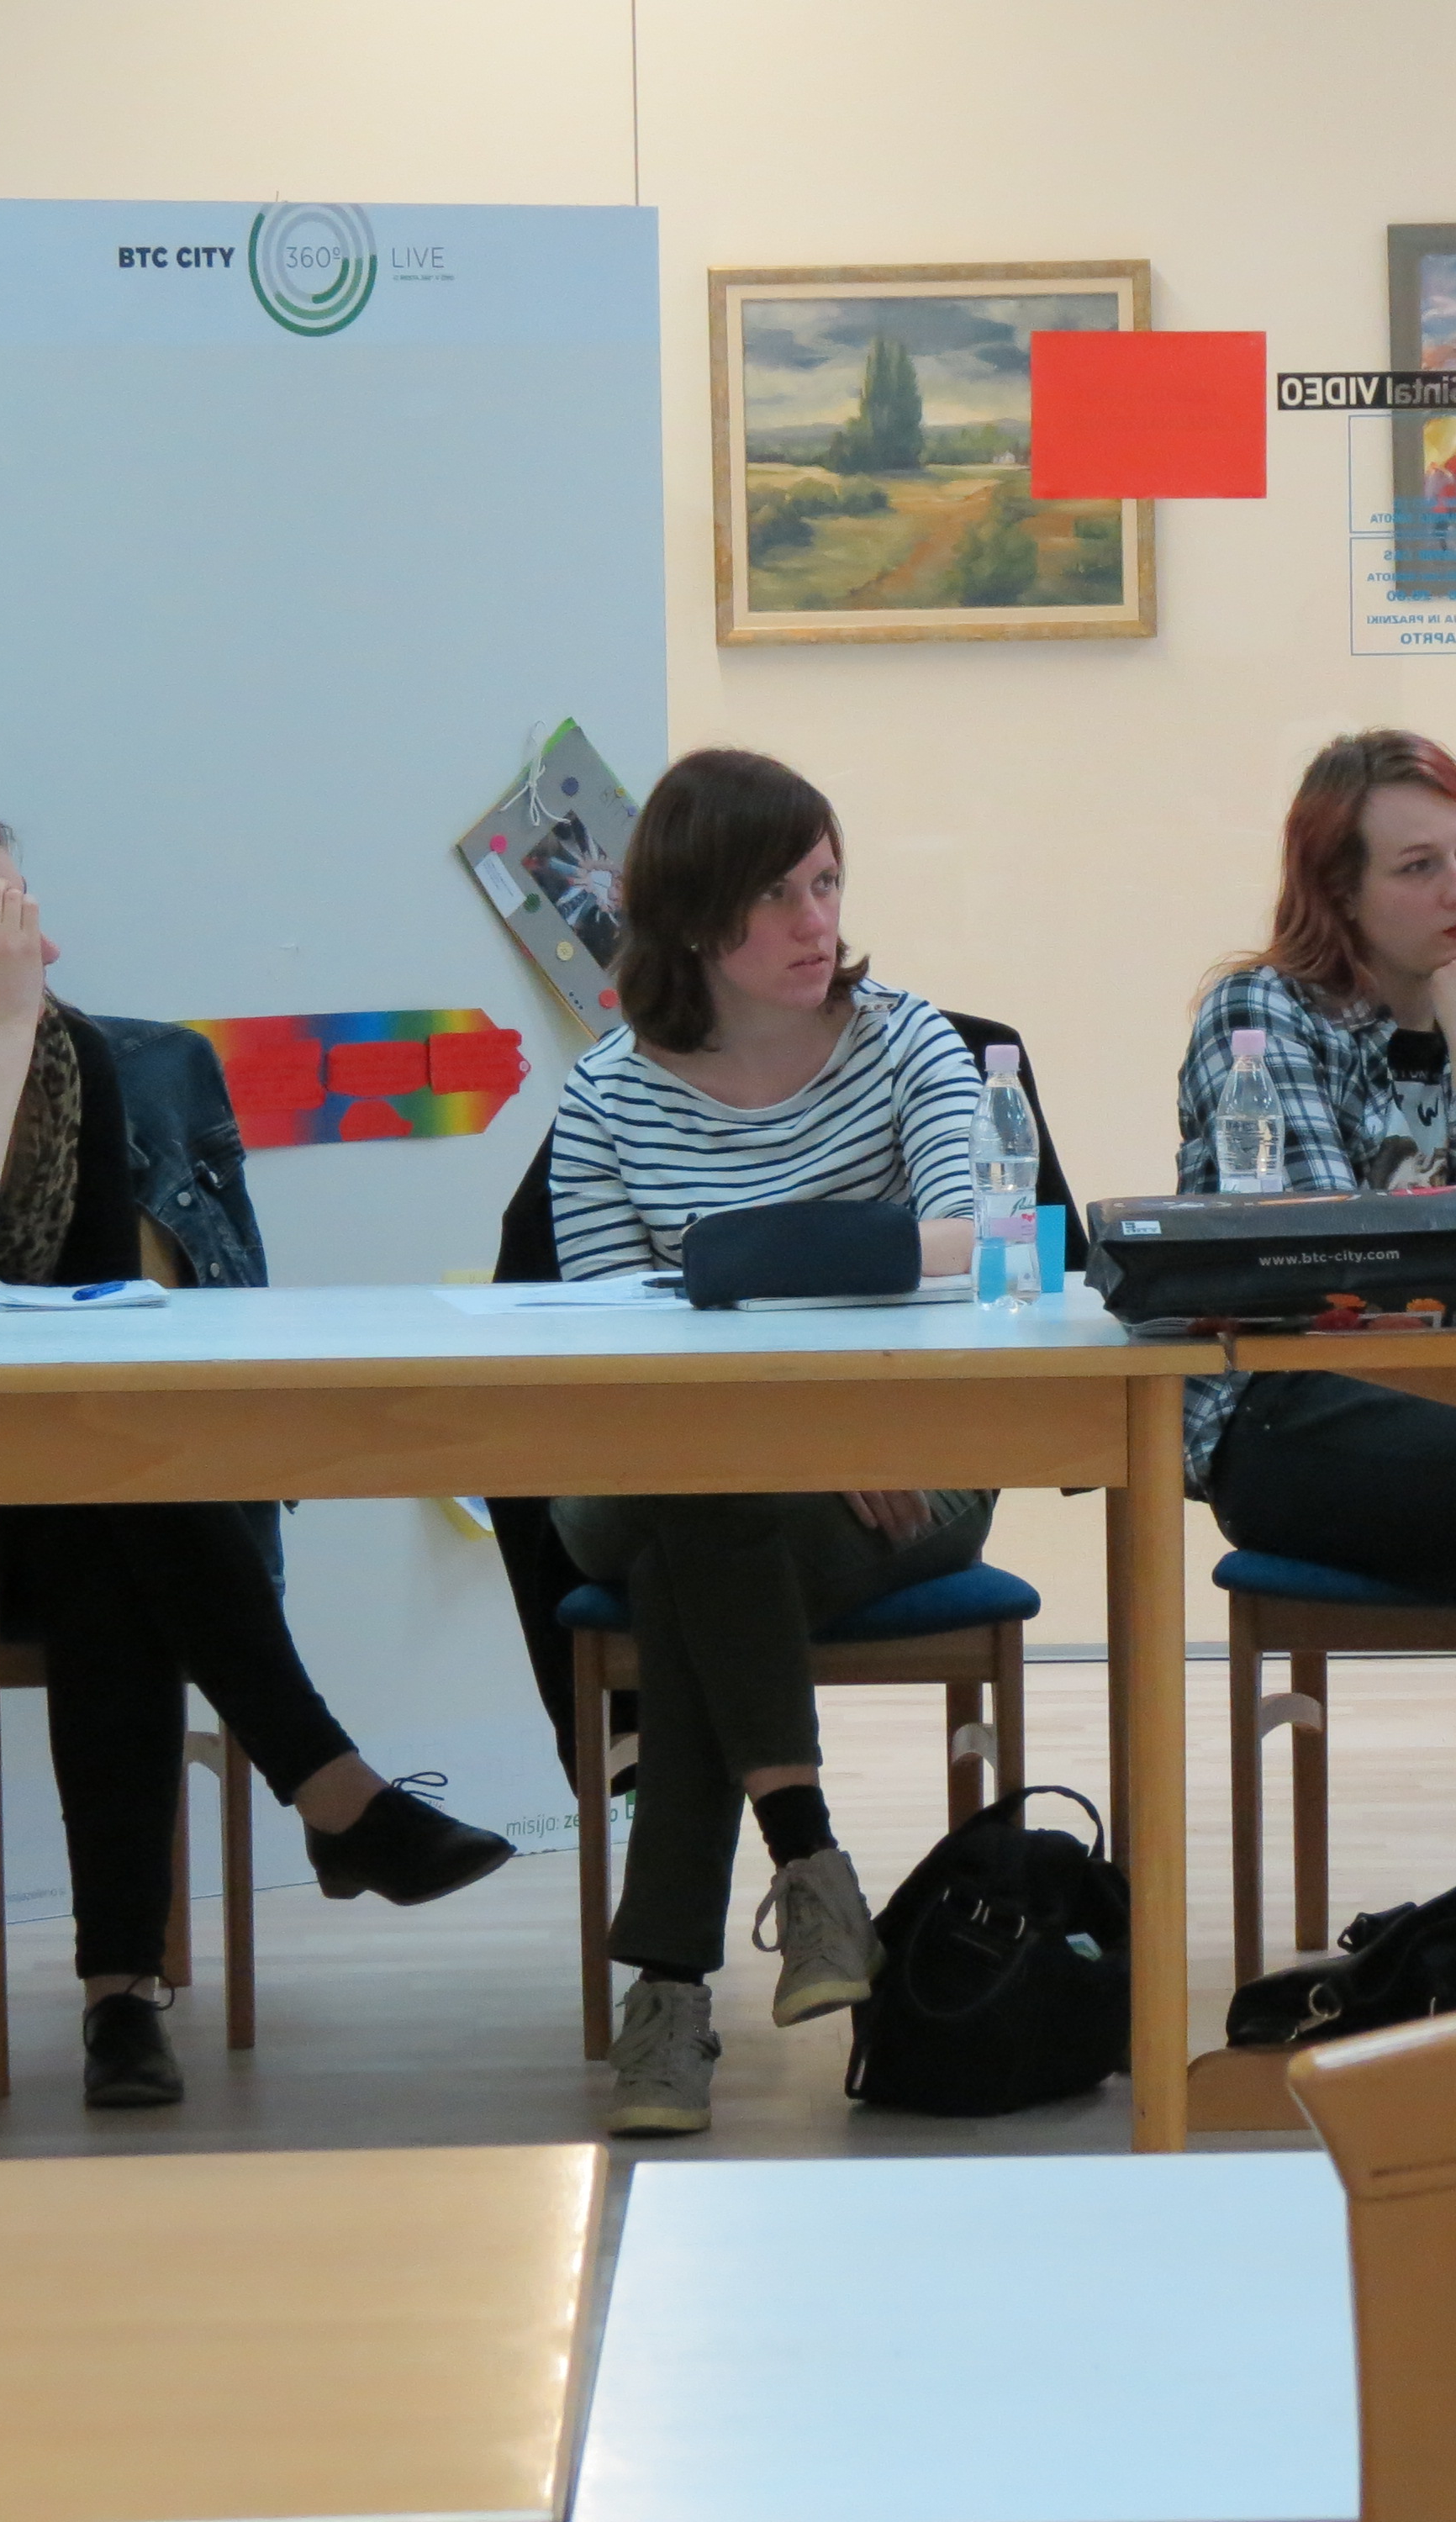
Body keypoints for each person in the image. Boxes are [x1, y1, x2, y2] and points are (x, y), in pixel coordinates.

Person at [0, 804, 514, 2111]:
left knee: (117, 1520)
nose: (43, 948)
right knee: (126, 1518)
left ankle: (132, 1982)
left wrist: (17, 1040)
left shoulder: (73, 1060)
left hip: (35, 1475)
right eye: (8, 917)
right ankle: (277, 1852)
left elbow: (92, 1322)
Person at [545, 747, 992, 2138]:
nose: (817, 922)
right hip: (663, 1456)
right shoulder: (606, 1099)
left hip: (901, 1448)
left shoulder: (910, 1045)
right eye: (776, 894)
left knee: (693, 1559)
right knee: (705, 1488)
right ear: (691, 918)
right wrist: (792, 1420)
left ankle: (670, 2001)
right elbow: (614, 1347)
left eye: (828, 883)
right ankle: (807, 1859)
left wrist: (826, 1402)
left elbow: (979, 1244)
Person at [1177, 731, 1456, 1680]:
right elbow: (1320, 1267)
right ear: (1341, 891)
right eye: (1418, 866)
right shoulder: (1262, 1012)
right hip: (1291, 1405)